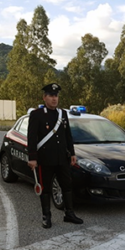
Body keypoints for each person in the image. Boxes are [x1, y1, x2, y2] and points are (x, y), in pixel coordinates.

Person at [27, 83, 83, 228]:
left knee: (67, 185)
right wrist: (32, 157)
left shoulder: (62, 114)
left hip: (62, 158)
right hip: (45, 159)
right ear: (44, 97)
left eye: (56, 96)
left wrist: (72, 153)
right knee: (45, 188)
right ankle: (46, 216)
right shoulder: (36, 115)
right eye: (51, 96)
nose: (54, 99)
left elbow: (67, 135)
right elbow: (31, 137)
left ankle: (69, 213)